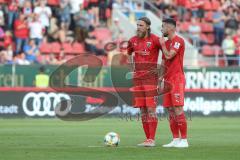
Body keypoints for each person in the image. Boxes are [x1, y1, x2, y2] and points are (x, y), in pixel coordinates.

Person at [127, 17, 161, 147]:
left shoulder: (155, 40)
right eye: (137, 25)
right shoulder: (132, 40)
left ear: (147, 26)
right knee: (142, 110)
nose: (138, 27)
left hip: (150, 79)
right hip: (138, 79)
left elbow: (166, 55)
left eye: (141, 25)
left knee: (151, 109)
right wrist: (132, 70)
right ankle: (147, 139)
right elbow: (129, 54)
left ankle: (152, 139)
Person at [159, 18, 188, 148]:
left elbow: (169, 55)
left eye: (163, 26)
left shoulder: (178, 41)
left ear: (171, 28)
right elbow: (164, 62)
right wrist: (159, 79)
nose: (161, 29)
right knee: (170, 110)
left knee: (177, 108)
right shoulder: (166, 42)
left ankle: (184, 140)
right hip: (167, 79)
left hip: (177, 79)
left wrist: (163, 45)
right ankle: (175, 139)